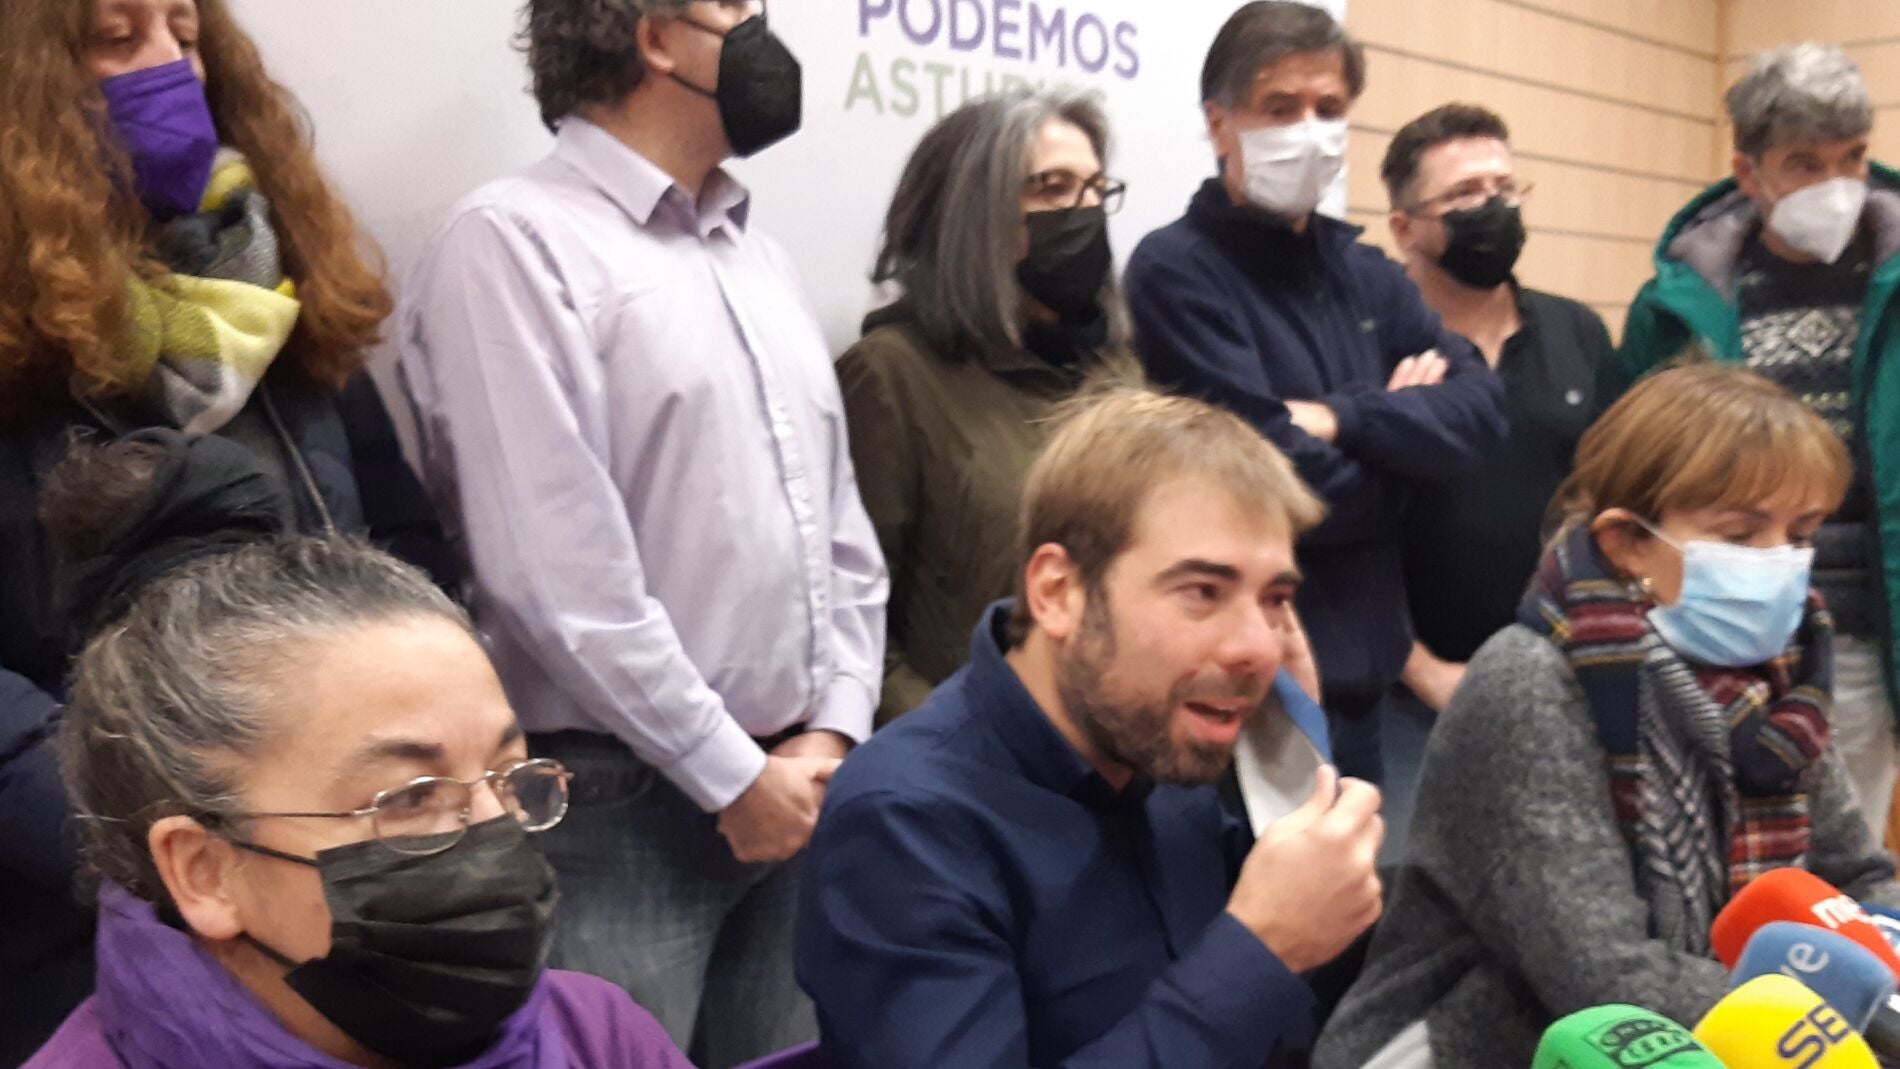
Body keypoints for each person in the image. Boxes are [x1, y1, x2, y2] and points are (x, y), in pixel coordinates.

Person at [397, 0, 887, 1063]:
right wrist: (731, 774)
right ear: (653, 36)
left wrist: (833, 730)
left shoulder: (759, 258)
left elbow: (840, 531)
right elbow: (551, 573)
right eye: (736, 7)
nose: (763, 30)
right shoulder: (513, 242)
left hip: (799, 788)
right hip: (618, 809)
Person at [0, 0, 450, 1058]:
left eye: (186, 34)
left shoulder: (278, 293)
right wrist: (141, 830)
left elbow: (408, 551)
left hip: (345, 882)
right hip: (89, 923)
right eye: (117, 40)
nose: (171, 66)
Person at [26, 431, 692, 1069]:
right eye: (411, 798)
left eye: (510, 776)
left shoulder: (597, 1035)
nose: (495, 834)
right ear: (204, 870)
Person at [1314, 365, 1900, 1069]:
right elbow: (1601, 976)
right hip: (1485, 1047)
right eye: (1742, 535)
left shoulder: (1781, 679)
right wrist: (1845, 1026)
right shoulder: (1530, 682)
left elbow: (1857, 881)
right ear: (1626, 542)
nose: (1782, 563)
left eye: (1801, 534)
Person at [796, 386, 1384, 1068]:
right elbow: (1257, 971)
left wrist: (1293, 773)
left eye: (1274, 598)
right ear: (1058, 593)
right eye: (1203, 591)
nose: (1259, 646)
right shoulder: (904, 823)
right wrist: (1260, 952)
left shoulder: (1160, 745)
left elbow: (1298, 1015)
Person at [1123, 1, 1505, 786]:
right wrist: (1405, 461)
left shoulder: (1365, 272)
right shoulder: (1176, 270)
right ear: (1220, 123)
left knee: (1357, 867)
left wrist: (1342, 417)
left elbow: (1480, 410)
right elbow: (1259, 479)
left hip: (1368, 684)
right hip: (1241, 688)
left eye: (1329, 109)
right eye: (1280, 107)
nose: (1310, 130)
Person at [1620, 44, 1900, 845]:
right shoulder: (1681, 300)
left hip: (1865, 627)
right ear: (1748, 173)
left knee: (1843, 843)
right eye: (1805, 163)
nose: (1837, 184)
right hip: (1717, 614)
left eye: (1852, 157)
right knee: (1714, 836)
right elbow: (1632, 468)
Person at [840, 87, 1140, 725]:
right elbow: (856, 627)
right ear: (972, 213)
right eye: (1053, 189)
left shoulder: (1120, 371)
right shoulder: (892, 376)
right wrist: (959, 748)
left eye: (1095, 190)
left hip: (1116, 742)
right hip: (965, 748)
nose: (1084, 212)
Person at [1383, 103, 1622, 716]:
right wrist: (1422, 672)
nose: (1494, 208)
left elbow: (1613, 497)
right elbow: (1338, 541)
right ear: (1405, 229)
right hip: (1411, 690)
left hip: (1560, 674)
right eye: (1464, 194)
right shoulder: (1370, 344)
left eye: (1505, 188)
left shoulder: (1577, 331)